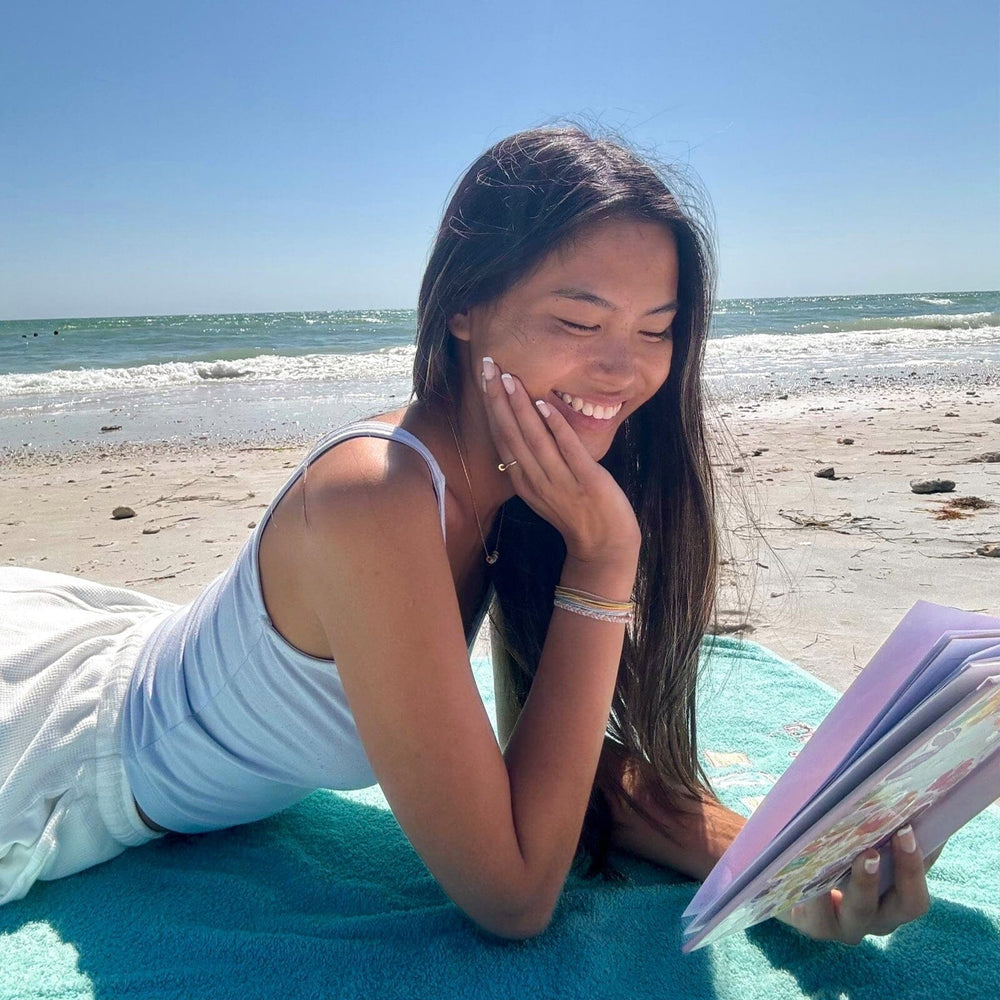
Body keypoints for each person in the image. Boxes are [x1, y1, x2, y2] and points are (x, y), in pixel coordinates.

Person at [0, 126, 933, 943]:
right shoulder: (376, 499)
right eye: (579, 320)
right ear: (462, 307)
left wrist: (778, 863)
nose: (623, 371)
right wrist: (605, 558)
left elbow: (555, 773)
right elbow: (513, 895)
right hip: (66, 757)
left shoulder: (528, 477)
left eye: (657, 330)